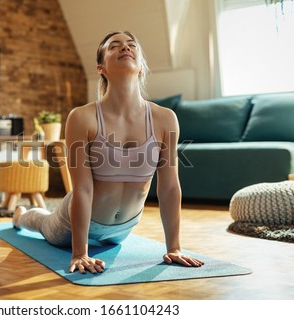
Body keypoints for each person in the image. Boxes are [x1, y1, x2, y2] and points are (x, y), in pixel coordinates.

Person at [13, 31, 204, 274]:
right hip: (76, 222)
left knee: (110, 237)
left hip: (123, 230)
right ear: (101, 67)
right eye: (115, 46)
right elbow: (82, 188)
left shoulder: (165, 119)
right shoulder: (82, 117)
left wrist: (174, 247)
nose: (125, 48)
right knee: (43, 224)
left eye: (131, 45)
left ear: (142, 67)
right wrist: (80, 252)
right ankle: (20, 216)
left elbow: (169, 187)